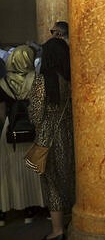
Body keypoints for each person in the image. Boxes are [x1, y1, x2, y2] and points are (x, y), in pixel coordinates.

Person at [28, 38, 74, 240]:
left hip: (49, 137)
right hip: (71, 135)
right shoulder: (72, 78)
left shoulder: (42, 80)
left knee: (52, 183)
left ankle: (57, 230)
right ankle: (72, 222)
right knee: (70, 180)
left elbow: (36, 114)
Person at [0, 45, 45, 226]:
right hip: (34, 128)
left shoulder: (2, 83)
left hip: (11, 132)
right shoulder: (37, 80)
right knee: (35, 172)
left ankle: (18, 209)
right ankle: (38, 208)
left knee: (12, 173)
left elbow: (1, 114)